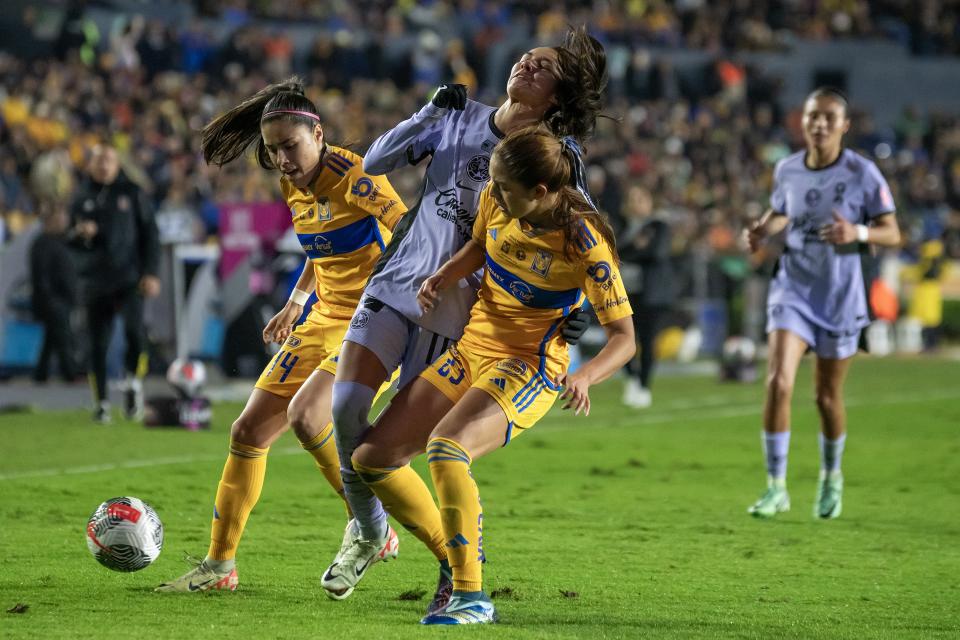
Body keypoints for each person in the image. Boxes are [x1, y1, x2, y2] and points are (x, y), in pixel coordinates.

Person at [320, 26, 605, 606]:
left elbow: (580, 234)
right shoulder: (456, 113)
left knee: (396, 449)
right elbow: (373, 162)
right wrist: (426, 112)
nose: (527, 64)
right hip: (400, 283)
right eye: (527, 56)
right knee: (345, 410)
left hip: (459, 315)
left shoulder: (556, 155)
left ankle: (454, 562)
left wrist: (572, 310)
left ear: (557, 96)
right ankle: (370, 530)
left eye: (544, 67)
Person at [363, 127, 635, 624]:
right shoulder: (498, 198)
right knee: (372, 458)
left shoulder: (583, 242)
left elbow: (624, 338)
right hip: (471, 349)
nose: (493, 191)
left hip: (527, 365)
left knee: (448, 449)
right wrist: (442, 276)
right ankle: (456, 555)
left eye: (505, 187)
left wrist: (587, 377)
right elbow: (479, 244)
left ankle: (471, 597)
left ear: (540, 192)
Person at [156, 78, 407, 592]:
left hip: (373, 322)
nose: (283, 160)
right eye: (273, 152)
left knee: (308, 415)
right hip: (322, 317)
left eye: (290, 147)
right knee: (246, 432)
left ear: (319, 133)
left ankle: (370, 524)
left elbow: (410, 234)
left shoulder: (360, 177)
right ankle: (220, 567)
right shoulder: (291, 183)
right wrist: (296, 302)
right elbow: (322, 251)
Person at [744, 87, 900, 520]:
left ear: (844, 125)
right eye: (814, 116)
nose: (820, 124)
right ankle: (776, 487)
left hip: (839, 295)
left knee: (826, 398)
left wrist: (860, 233)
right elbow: (781, 213)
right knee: (777, 382)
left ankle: (831, 476)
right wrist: (761, 229)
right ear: (804, 120)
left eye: (830, 117)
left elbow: (893, 232)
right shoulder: (788, 169)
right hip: (792, 288)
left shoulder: (862, 173)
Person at [69, 143, 160, 423]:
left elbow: (150, 234)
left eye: (108, 159)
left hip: (129, 278)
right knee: (97, 343)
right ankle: (101, 404)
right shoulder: (81, 196)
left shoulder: (131, 193)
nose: (103, 165)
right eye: (98, 160)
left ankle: (133, 384)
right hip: (94, 280)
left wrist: (151, 272)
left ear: (117, 164)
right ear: (90, 164)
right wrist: (80, 234)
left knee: (135, 333)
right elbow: (67, 239)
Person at [617, 184, 674, 408]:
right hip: (624, 292)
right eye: (632, 198)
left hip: (651, 293)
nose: (635, 203)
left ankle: (644, 386)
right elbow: (611, 252)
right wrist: (634, 248)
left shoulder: (658, 226)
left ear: (650, 202)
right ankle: (631, 378)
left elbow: (655, 253)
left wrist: (629, 252)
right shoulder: (622, 227)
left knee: (647, 341)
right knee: (620, 337)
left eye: (640, 198)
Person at [30, 205, 80, 383]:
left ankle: (40, 374)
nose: (65, 222)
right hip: (53, 301)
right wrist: (50, 300)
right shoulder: (42, 243)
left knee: (51, 338)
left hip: (62, 298)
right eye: (61, 218)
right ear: (50, 221)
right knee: (63, 338)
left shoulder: (61, 241)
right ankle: (70, 374)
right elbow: (41, 275)